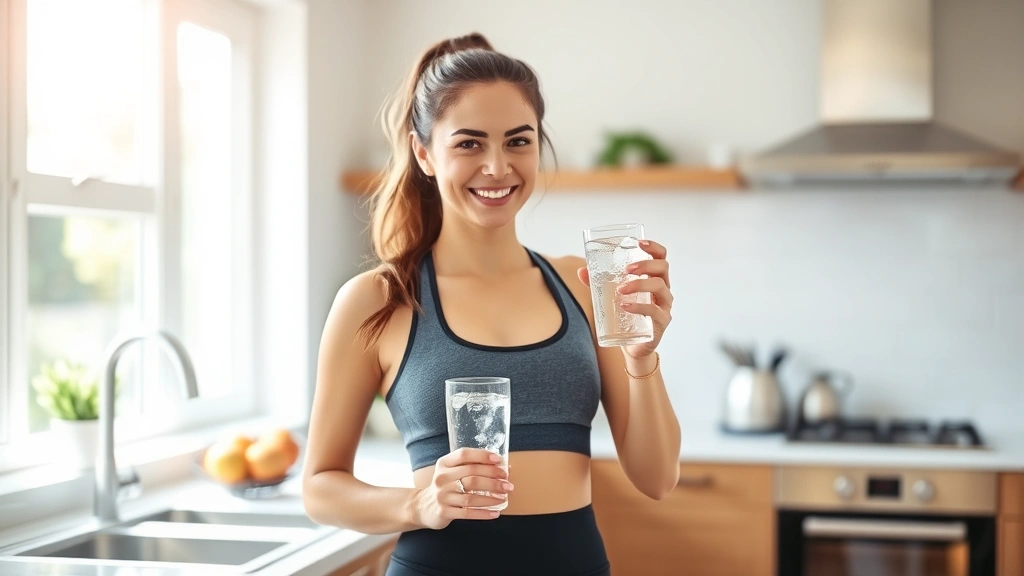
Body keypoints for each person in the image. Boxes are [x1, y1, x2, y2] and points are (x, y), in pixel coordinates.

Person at [303, 32, 681, 576]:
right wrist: (417, 504)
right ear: (424, 153)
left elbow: (658, 477)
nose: (498, 167)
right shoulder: (378, 301)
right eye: (469, 143)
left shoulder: (583, 284)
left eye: (518, 141)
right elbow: (319, 488)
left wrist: (641, 358)